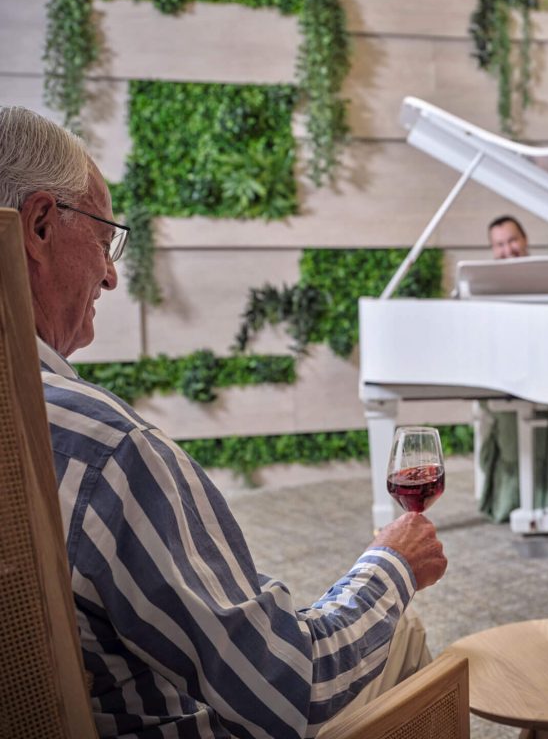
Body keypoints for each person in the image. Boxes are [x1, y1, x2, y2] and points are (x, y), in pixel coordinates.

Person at [1, 105, 448, 738]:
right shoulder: (108, 451)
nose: (111, 273)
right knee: (402, 629)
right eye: (104, 239)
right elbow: (289, 689)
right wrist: (392, 563)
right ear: (41, 225)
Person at [477, 214, 548, 524]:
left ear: (524, 240)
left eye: (512, 240)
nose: (507, 249)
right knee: (512, 422)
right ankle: (515, 503)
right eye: (499, 244)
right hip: (504, 380)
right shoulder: (484, 287)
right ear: (492, 249)